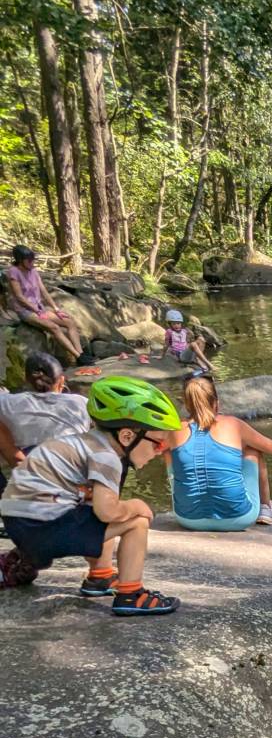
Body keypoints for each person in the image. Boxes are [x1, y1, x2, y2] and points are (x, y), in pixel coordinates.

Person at [0, 375, 182, 614]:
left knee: (91, 508)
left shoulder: (84, 444)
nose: (160, 451)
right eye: (158, 443)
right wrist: (136, 505)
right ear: (127, 436)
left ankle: (101, 576)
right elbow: (107, 511)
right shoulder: (107, 458)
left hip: (21, 523)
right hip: (41, 529)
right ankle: (130, 595)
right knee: (135, 522)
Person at [166, 374, 272, 529]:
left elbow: (158, 448)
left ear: (186, 405)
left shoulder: (175, 429)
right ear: (216, 403)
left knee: (169, 453)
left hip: (188, 519)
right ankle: (265, 509)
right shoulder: (234, 424)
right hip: (239, 518)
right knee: (254, 449)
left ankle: (186, 501)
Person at [0, 352, 92, 490]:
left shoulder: (5, 403)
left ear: (25, 379)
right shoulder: (81, 403)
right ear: (61, 380)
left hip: (30, 468)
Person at [5, 246, 84, 362]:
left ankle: (81, 353)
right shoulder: (13, 272)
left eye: (33, 260)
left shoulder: (34, 271)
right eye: (29, 260)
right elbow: (19, 297)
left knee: (69, 321)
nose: (32, 263)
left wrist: (56, 309)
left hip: (39, 308)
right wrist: (37, 311)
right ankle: (78, 357)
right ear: (20, 260)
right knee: (54, 327)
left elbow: (43, 291)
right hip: (25, 311)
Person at [161, 308, 214, 374]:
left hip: (185, 352)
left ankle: (198, 359)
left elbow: (184, 343)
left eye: (178, 323)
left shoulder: (184, 331)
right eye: (174, 324)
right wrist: (162, 355)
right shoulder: (169, 332)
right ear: (169, 324)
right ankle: (209, 364)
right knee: (193, 344)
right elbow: (166, 344)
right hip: (181, 356)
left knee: (201, 339)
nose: (177, 325)